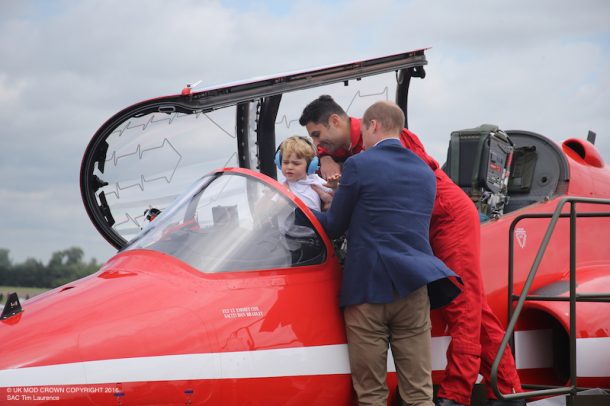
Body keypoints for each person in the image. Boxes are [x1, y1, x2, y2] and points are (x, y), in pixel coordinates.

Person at [300, 95, 524, 406]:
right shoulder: (351, 149)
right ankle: (505, 387)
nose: (316, 146)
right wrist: (326, 156)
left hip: (447, 216)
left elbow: (410, 178)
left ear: (352, 125)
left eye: (317, 137)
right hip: (422, 224)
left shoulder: (392, 139)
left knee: (465, 304)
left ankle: (469, 392)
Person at [312, 101, 459, 406]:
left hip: (368, 288)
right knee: (419, 392)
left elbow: (335, 225)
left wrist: (319, 207)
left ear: (374, 125)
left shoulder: (358, 165)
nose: (361, 139)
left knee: (371, 393)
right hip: (415, 288)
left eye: (363, 130)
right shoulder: (424, 170)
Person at [275, 135, 338, 211]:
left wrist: (334, 187)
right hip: (290, 223)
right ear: (279, 163)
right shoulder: (281, 184)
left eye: (296, 163)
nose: (289, 167)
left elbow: (336, 195)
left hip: (311, 222)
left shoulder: (314, 180)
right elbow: (273, 209)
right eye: (285, 162)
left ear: (310, 165)